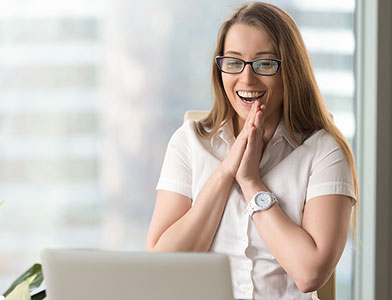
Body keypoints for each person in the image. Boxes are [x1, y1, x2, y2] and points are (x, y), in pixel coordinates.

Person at [146, 2, 358, 299]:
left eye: (265, 64)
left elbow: (310, 273)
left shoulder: (324, 152)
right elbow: (161, 266)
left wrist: (250, 182)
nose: (247, 79)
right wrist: (225, 173)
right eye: (233, 62)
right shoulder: (189, 142)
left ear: (290, 72)